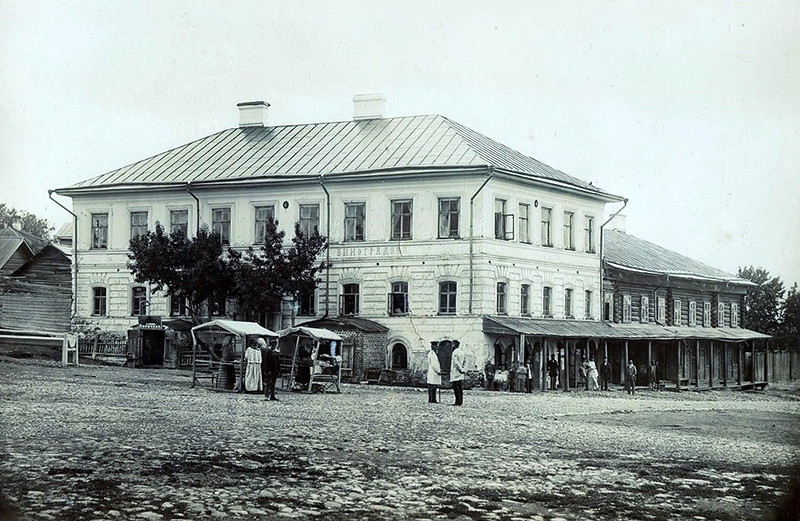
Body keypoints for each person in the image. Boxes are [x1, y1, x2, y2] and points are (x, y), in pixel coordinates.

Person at [450, 340, 467, 406]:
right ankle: (460, 401)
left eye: (452, 344)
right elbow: (465, 361)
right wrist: (464, 369)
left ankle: (457, 401)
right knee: (460, 388)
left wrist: (460, 370)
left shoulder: (455, 352)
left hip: (456, 373)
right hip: (460, 374)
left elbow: (456, 363)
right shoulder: (462, 352)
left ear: (454, 345)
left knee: (456, 388)